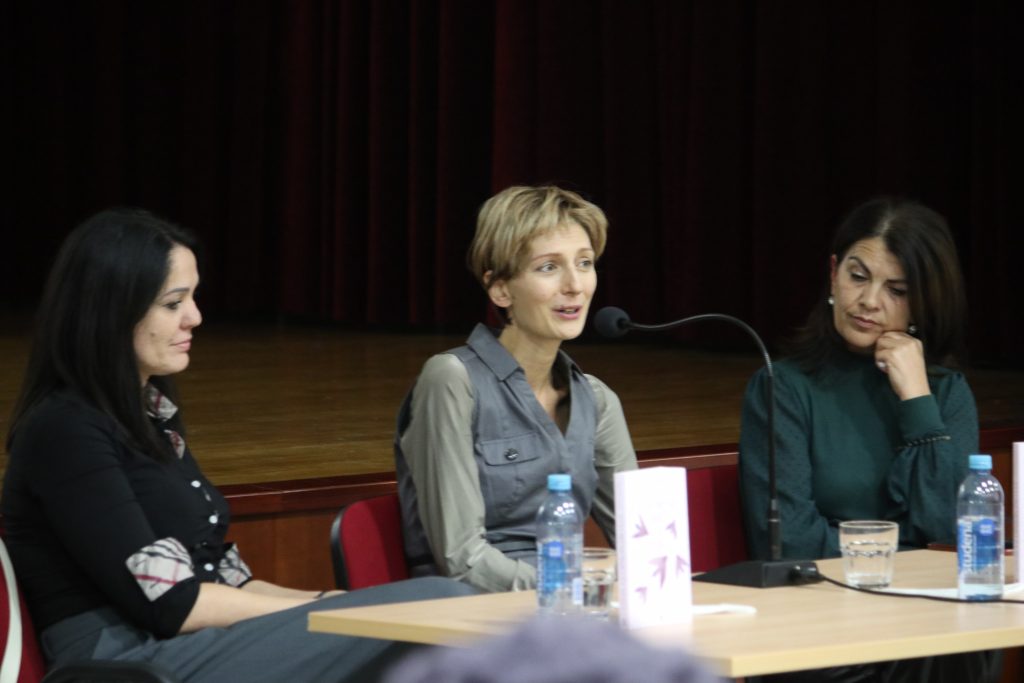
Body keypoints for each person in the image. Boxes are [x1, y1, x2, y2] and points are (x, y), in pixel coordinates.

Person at [1, 208, 475, 683]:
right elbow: (173, 604)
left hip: (186, 640)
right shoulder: (64, 431)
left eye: (193, 298)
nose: (195, 317)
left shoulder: (150, 414)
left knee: (434, 604)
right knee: (441, 605)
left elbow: (226, 580)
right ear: (111, 311)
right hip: (128, 660)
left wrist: (328, 601)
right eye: (173, 303)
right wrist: (329, 614)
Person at [739, 198, 1000, 682]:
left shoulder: (945, 393)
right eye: (858, 277)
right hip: (822, 617)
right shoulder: (783, 388)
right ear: (833, 274)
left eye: (896, 290)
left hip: (926, 614)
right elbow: (790, 544)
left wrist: (917, 399)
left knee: (960, 644)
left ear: (923, 300)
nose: (869, 301)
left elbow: (950, 533)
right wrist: (903, 558)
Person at [394, 185, 638, 593]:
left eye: (584, 263)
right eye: (548, 267)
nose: (575, 285)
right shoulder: (451, 379)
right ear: (500, 289)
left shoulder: (596, 399)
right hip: (468, 609)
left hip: (570, 605)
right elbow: (462, 559)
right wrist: (575, 585)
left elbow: (640, 538)